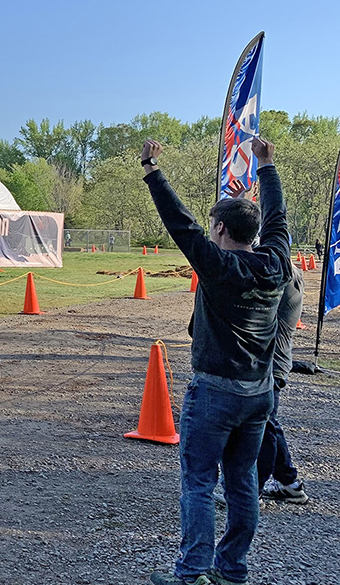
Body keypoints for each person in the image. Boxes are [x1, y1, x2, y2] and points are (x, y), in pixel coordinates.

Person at [142, 137, 291, 585]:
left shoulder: (218, 266)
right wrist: (267, 167)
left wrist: (152, 169)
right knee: (243, 481)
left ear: (223, 231)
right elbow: (278, 218)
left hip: (214, 393)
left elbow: (179, 223)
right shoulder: (276, 261)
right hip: (259, 394)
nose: (208, 234)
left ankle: (192, 574)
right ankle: (232, 571)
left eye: (213, 229)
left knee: (200, 483)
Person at [257, 266, 308, 504]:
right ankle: (289, 481)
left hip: (269, 362)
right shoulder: (292, 273)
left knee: (264, 428)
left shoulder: (278, 273)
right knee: (269, 424)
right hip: (277, 360)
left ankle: (251, 490)